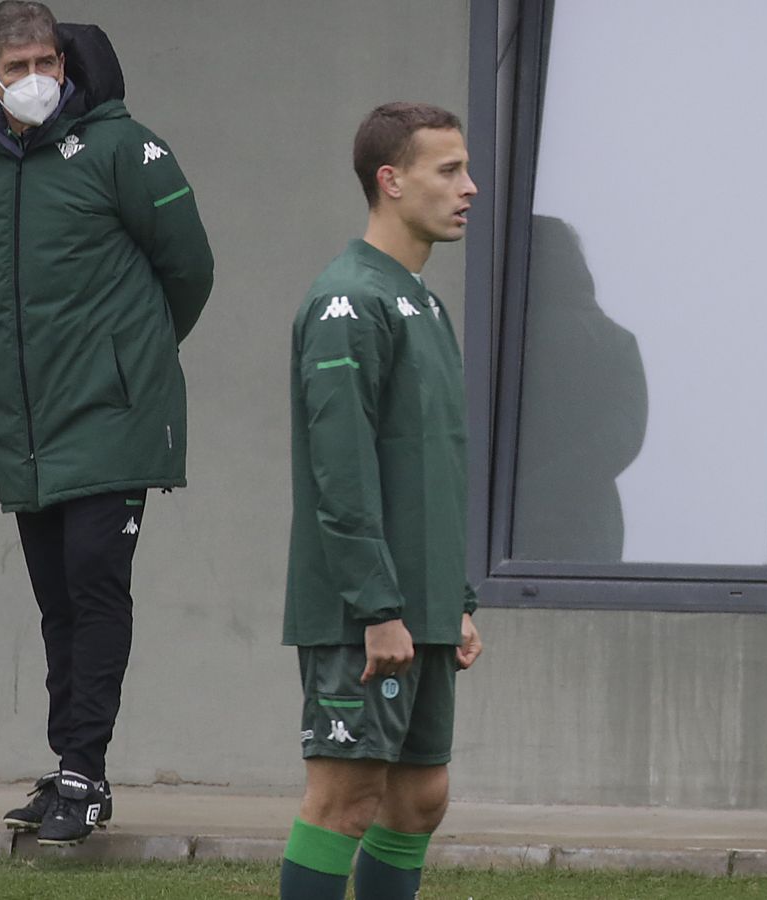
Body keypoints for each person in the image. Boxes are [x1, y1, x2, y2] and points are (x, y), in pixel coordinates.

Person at [0, 1, 213, 847]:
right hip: (28, 423)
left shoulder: (123, 148)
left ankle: (85, 774)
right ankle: (69, 759)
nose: (38, 79)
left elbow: (191, 269)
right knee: (57, 601)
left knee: (96, 586)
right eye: (20, 64)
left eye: (49, 63)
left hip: (111, 416)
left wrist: (130, 359)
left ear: (67, 64)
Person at [280, 102, 484, 900]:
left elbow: (431, 468)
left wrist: (453, 600)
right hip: (365, 612)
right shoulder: (347, 302)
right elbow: (342, 472)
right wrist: (378, 606)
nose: (470, 187)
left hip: (418, 606)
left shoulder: (422, 302)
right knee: (345, 802)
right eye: (449, 171)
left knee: (418, 800)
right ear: (390, 181)